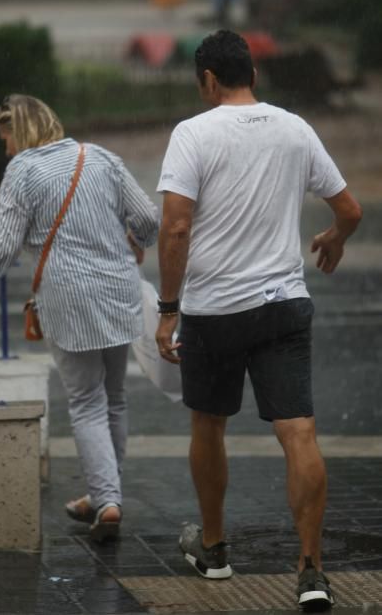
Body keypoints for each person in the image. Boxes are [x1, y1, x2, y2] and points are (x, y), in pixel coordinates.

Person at [155, 31, 362, 610]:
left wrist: (167, 311)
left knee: (209, 424)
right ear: (253, 75)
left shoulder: (193, 133)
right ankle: (312, 572)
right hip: (283, 307)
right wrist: (335, 237)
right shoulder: (294, 128)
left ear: (209, 81)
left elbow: (175, 229)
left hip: (213, 311)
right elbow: (349, 209)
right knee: (298, 433)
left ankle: (215, 549)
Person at [0, 94, 159, 542]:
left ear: (21, 133)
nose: (6, 149)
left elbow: (2, 246)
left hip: (70, 298)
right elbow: (146, 216)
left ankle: (107, 500)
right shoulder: (99, 156)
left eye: (7, 138)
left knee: (86, 400)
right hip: (119, 288)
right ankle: (107, 494)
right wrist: (136, 239)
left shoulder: (22, 171)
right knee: (115, 395)